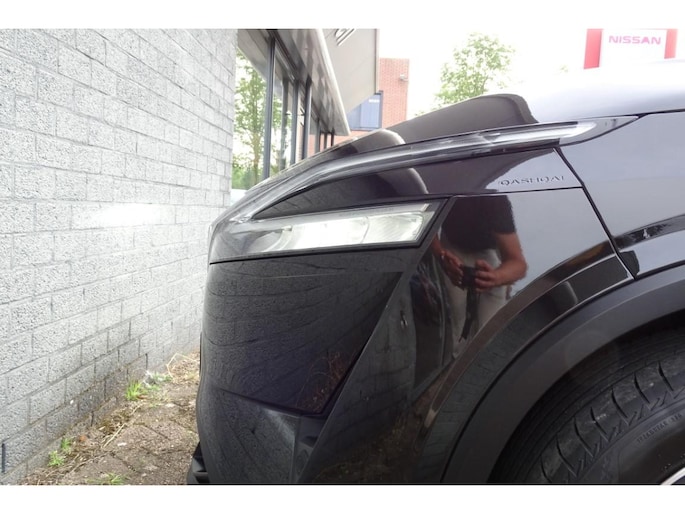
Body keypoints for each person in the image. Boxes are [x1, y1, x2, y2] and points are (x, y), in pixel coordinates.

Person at [431, 195, 527, 353]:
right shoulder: (442, 187)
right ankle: (456, 356)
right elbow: (425, 224)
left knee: (490, 330)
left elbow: (518, 264)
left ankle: (482, 356)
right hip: (451, 245)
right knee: (455, 322)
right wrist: (441, 255)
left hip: (488, 251)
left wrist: (497, 278)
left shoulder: (495, 201)